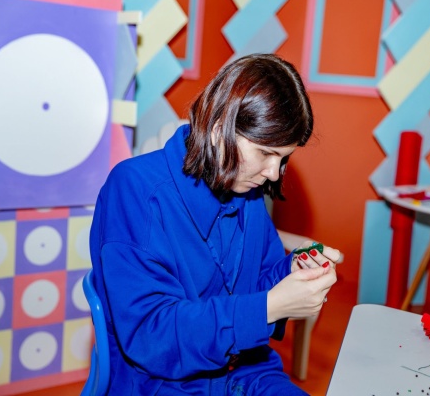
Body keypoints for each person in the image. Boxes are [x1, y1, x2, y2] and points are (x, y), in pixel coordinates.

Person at [89, 53, 341, 395]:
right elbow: (152, 337)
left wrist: (293, 271)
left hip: (245, 370)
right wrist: (268, 308)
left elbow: (256, 286)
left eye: (283, 158)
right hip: (163, 383)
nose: (273, 173)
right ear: (220, 129)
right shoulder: (135, 190)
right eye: (266, 153)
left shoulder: (247, 190)